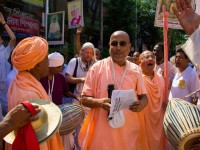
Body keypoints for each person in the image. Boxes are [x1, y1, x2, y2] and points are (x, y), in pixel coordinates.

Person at [79, 30, 148, 150]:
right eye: (114, 44)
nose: (118, 48)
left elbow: (144, 97)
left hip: (128, 130)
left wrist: (141, 104)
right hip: (102, 133)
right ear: (109, 46)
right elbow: (84, 99)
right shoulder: (96, 68)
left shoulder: (136, 70)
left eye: (122, 44)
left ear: (129, 47)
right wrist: (100, 103)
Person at [7, 37, 64, 150]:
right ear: (37, 65)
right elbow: (36, 141)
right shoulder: (29, 94)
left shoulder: (19, 80)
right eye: (46, 59)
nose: (49, 62)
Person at [40, 52, 77, 150]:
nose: (61, 69)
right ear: (51, 66)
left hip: (58, 113)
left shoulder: (60, 77)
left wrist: (76, 97)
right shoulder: (40, 78)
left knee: (64, 138)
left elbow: (66, 91)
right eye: (59, 67)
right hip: (43, 115)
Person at [139, 50, 166, 150]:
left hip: (159, 120)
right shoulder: (136, 78)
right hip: (142, 121)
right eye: (146, 57)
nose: (150, 59)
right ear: (139, 61)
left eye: (152, 57)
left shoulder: (161, 78)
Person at [0, 12, 16, 116]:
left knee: (9, 114)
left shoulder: (4, 52)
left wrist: (3, 23)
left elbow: (13, 38)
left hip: (4, 89)